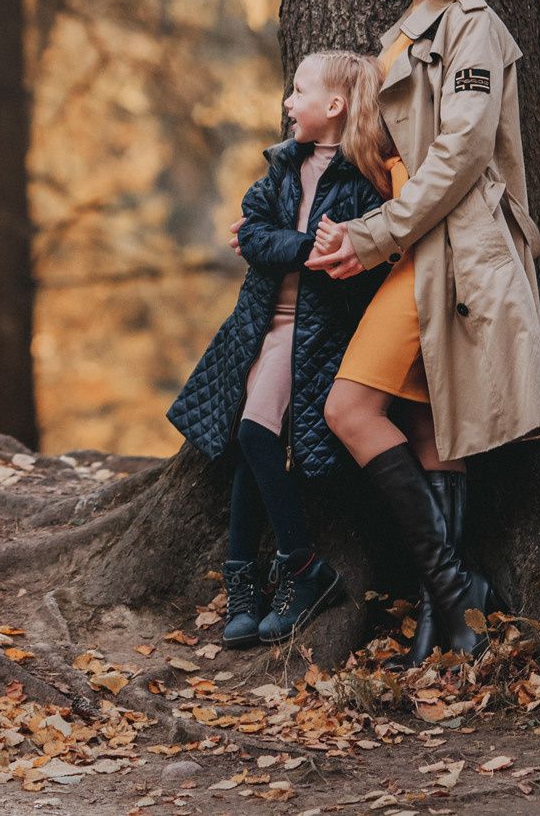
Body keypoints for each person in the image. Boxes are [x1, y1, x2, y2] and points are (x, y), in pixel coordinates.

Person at [306, 0, 540, 661]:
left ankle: (452, 592)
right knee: (426, 426)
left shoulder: (472, 26)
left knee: (348, 409)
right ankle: (444, 614)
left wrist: (376, 233)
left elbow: (458, 155)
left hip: (440, 249)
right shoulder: (400, 34)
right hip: (405, 245)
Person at [169, 51, 393, 648]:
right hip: (260, 324)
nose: (288, 102)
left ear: (335, 106)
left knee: (253, 436)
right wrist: (302, 247)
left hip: (310, 333)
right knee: (250, 442)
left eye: (298, 91)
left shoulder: (363, 181)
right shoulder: (282, 167)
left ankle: (299, 566)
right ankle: (247, 578)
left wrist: (334, 250)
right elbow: (253, 229)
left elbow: (362, 260)